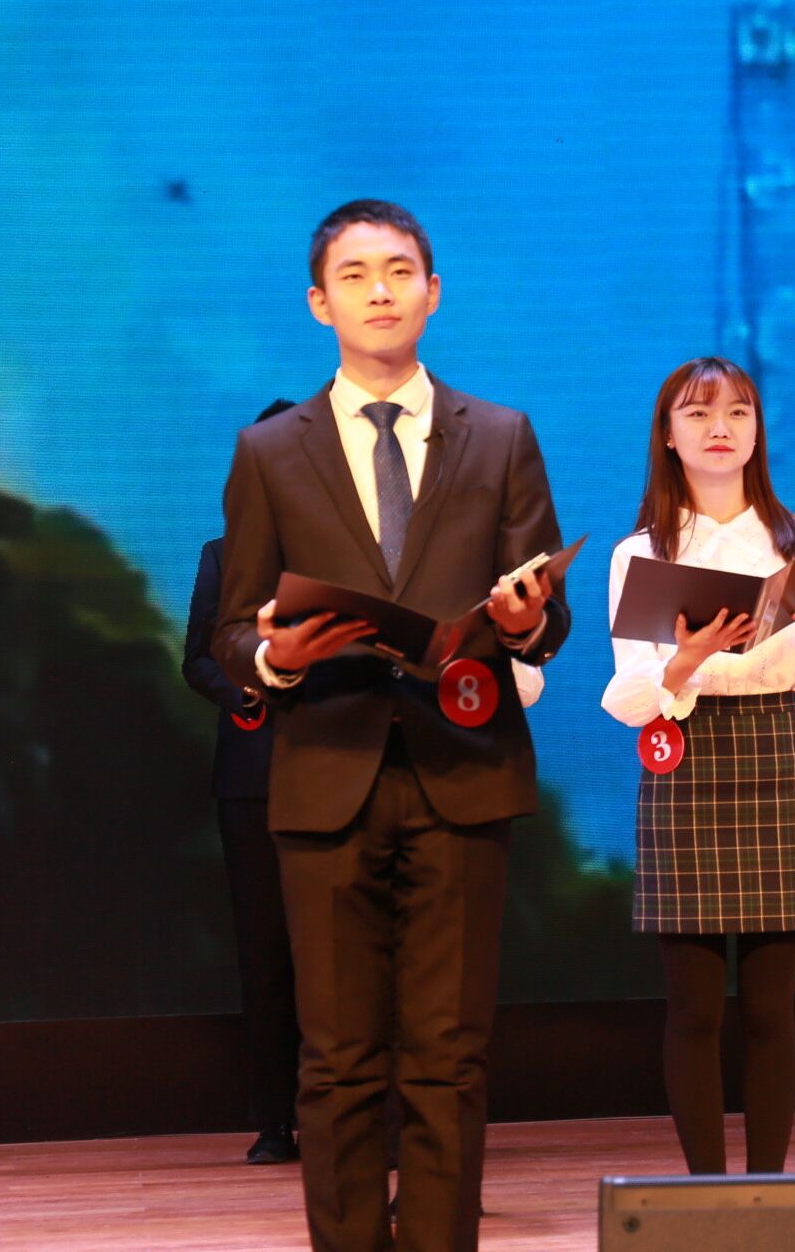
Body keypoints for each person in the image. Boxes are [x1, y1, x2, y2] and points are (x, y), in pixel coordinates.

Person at [211, 200, 568, 1252]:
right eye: (356, 274)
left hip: (465, 766)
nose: (381, 290)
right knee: (337, 1059)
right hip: (326, 766)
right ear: (319, 302)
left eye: (401, 270)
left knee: (450, 1054)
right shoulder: (269, 449)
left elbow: (546, 614)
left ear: (433, 291)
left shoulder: (501, 435)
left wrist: (527, 621)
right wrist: (276, 657)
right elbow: (232, 626)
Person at [182, 401, 550, 1175]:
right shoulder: (224, 555)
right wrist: (262, 678)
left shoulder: (382, 549)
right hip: (257, 770)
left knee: (385, 964)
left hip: (369, 757)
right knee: (269, 953)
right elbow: (206, 653)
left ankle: (394, 1129)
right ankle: (274, 1119)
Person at [603, 357, 795, 1175]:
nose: (720, 429)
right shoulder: (642, 552)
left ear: (757, 432)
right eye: (699, 414)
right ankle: (705, 1193)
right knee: (694, 1010)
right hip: (684, 761)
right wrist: (683, 663)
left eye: (738, 414)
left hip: (774, 750)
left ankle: (769, 1190)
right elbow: (627, 695)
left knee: (772, 1009)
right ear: (668, 435)